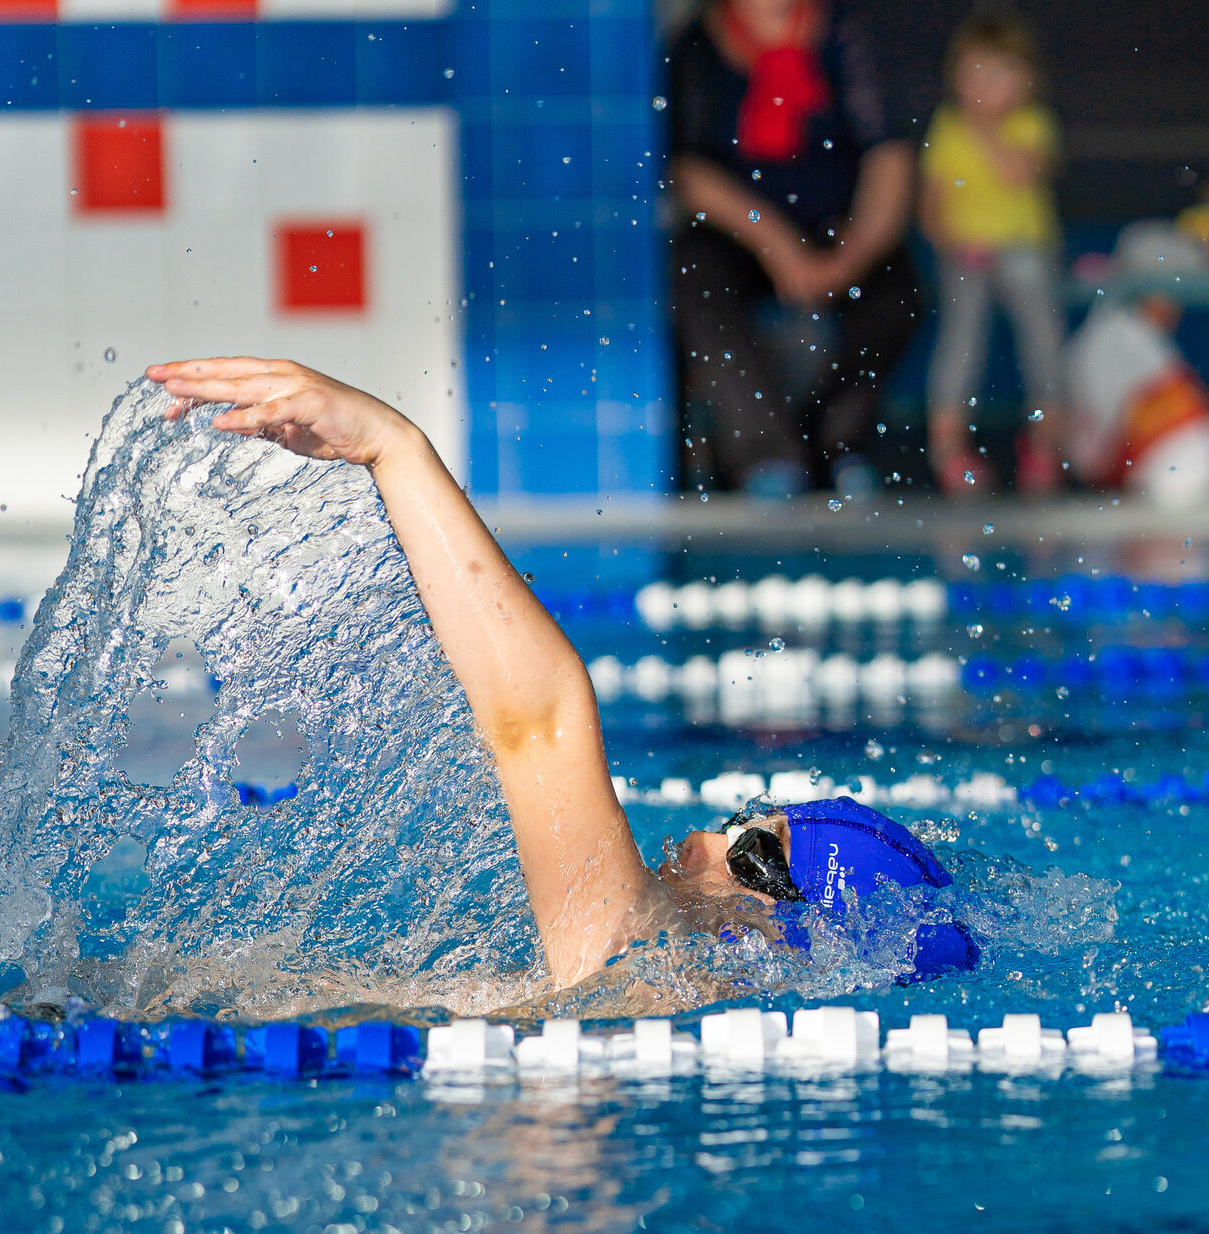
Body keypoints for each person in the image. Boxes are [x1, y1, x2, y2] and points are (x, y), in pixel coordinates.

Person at [145, 357, 977, 1005]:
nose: (706, 839)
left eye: (756, 856)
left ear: (795, 940)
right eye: (742, 822)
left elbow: (539, 718)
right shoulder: (639, 989)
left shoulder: (646, 966)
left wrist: (391, 447)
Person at [669, 0, 920, 497]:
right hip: (739, 236)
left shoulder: (848, 35)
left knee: (898, 294)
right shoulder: (697, 47)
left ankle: (834, 440)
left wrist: (851, 256)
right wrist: (775, 241)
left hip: (837, 231)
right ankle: (765, 455)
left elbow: (888, 152)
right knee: (694, 281)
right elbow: (690, 173)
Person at [919, 9, 1064, 498]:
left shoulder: (1032, 124)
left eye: (999, 75)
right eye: (974, 74)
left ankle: (1045, 448)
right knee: (960, 350)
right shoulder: (946, 129)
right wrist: (955, 244)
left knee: (1044, 348)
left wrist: (981, 126)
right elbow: (931, 208)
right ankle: (949, 451)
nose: (984, 87)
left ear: (1027, 81)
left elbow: (1015, 172)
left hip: (1026, 251)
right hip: (967, 258)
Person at [1063, 223, 1209, 505]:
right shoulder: (1115, 333)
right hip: (1138, 478)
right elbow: (1093, 453)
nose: (1175, 303)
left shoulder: (1127, 327)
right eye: (1168, 289)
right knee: (1198, 443)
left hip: (1145, 477)